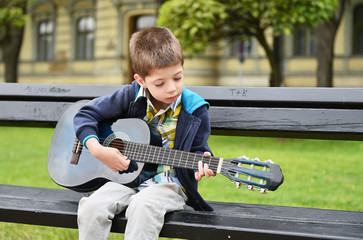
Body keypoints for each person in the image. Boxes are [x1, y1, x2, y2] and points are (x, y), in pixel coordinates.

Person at [73, 26, 216, 240]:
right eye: (160, 83)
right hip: (126, 179)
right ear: (141, 80)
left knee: (143, 206)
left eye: (178, 78)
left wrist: (205, 164)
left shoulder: (195, 109)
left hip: (169, 185)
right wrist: (97, 149)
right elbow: (85, 114)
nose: (171, 89)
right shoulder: (130, 95)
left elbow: (199, 150)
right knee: (92, 207)